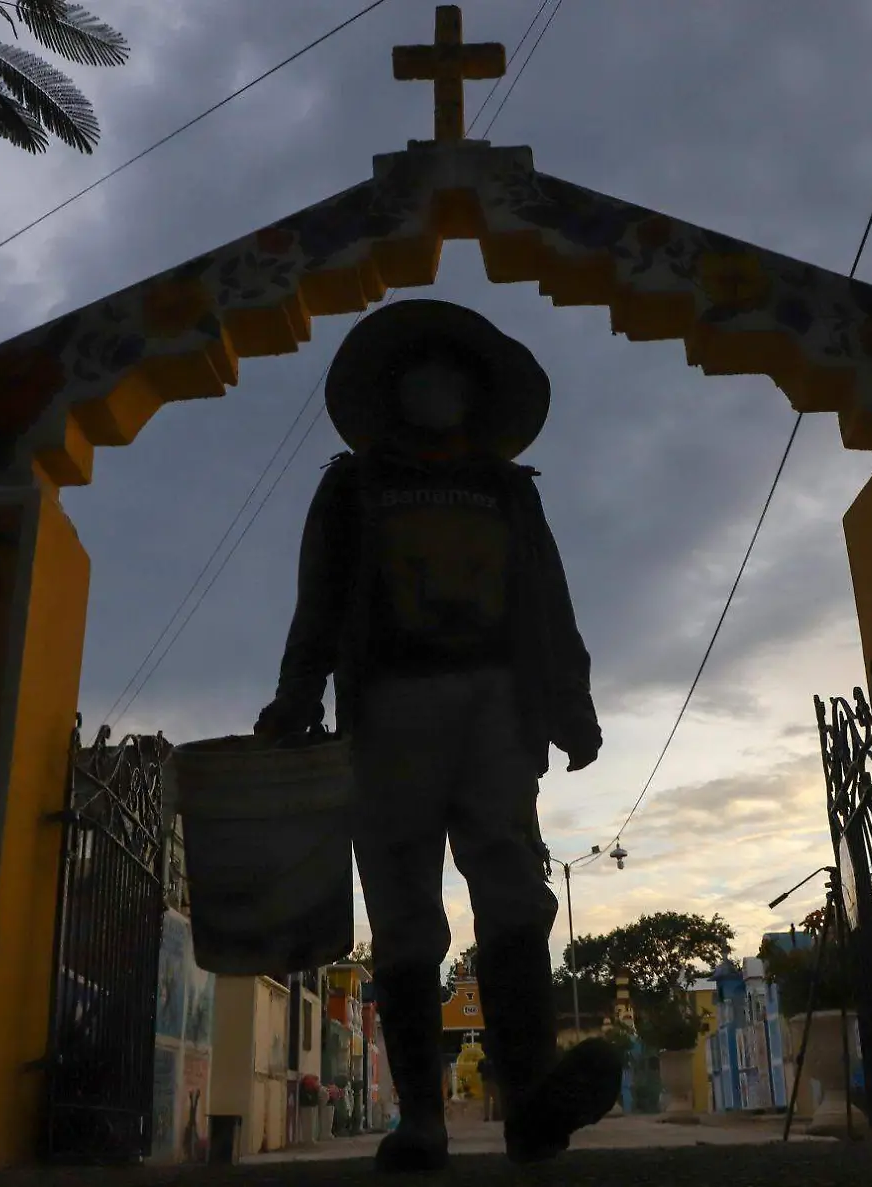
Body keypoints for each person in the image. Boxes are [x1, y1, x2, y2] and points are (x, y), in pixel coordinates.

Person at [255, 299, 621, 1172]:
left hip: (499, 710)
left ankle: (531, 1097)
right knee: (405, 914)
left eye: (450, 374)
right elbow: (320, 603)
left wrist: (571, 702)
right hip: (387, 715)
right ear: (392, 391)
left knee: (513, 892)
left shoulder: (506, 490)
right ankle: (420, 1115)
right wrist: (295, 697)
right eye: (418, 374)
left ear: (474, 391)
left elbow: (547, 603)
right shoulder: (353, 486)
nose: (435, 388)